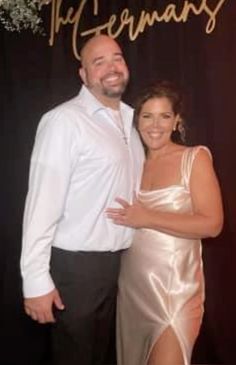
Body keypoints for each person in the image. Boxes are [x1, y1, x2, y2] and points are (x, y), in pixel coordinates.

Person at [20, 34, 144, 365]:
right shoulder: (65, 121)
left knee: (101, 357)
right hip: (75, 270)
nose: (111, 67)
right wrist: (35, 280)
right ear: (83, 75)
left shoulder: (132, 125)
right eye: (98, 62)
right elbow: (41, 204)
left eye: (116, 57)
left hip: (117, 267)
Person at [106, 80, 224, 365]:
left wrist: (147, 217)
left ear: (176, 121)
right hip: (133, 291)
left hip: (175, 292)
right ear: (137, 122)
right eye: (147, 116)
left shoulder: (193, 158)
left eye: (164, 116)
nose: (155, 125)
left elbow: (212, 224)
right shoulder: (132, 164)